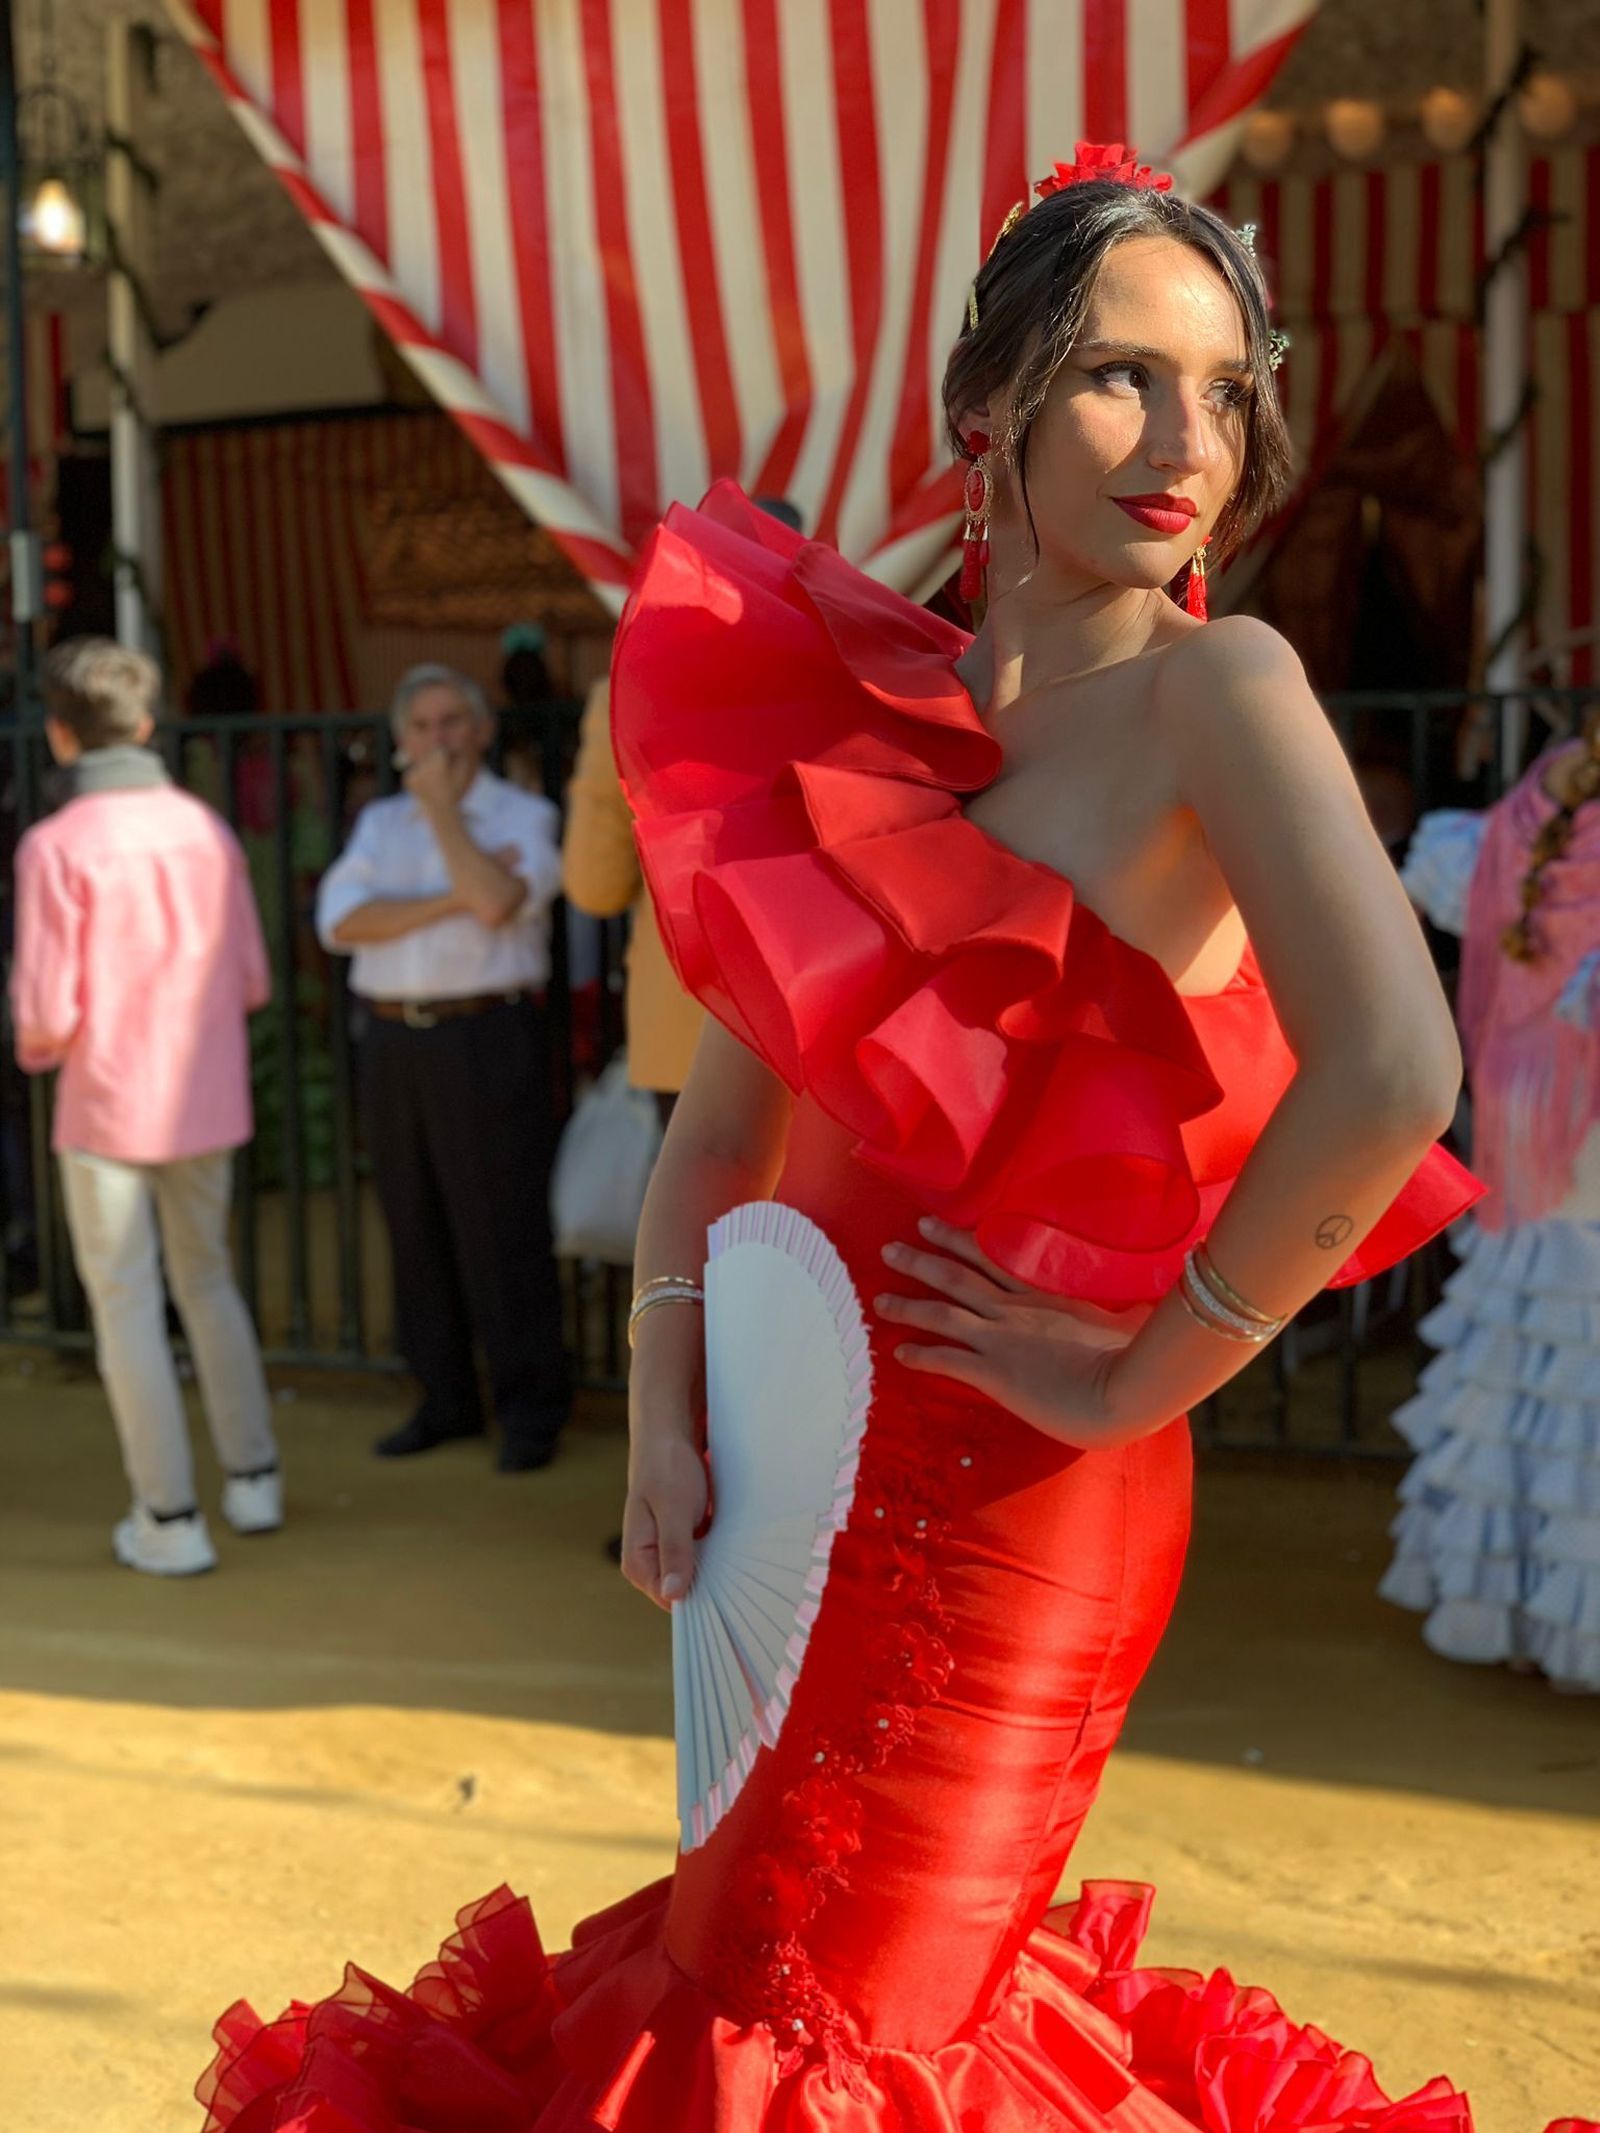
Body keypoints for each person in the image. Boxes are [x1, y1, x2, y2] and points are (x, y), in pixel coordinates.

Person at [197, 150, 1586, 2133]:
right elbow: (713, 1142)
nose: (1183, 437)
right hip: (784, 1465)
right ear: (986, 412)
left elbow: (1392, 1076)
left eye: (1223, 385)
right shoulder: (860, 720)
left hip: (1033, 1495)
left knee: (844, 2025)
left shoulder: (1223, 683)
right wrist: (665, 1414)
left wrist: (1136, 1367)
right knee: (726, 1965)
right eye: (1120, 373)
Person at [11, 638, 279, 1578]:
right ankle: (253, 1478)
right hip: (203, 1093)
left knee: (126, 1303)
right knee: (207, 1279)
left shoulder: (55, 846)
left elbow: (45, 1015)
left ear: (59, 734)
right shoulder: (204, 829)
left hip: (107, 1100)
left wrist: (39, 1047)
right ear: (147, 724)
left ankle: (169, 1514)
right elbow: (251, 978)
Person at [1381, 726, 1600, 1693]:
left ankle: (1506, 1602)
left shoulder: (1531, 809)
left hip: (1527, 1108)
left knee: (1528, 1341)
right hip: (1578, 1115)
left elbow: (1446, 885)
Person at [315, 663, 570, 1471]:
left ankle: (530, 1408)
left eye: (452, 721)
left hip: (486, 1034)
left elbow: (499, 901)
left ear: (484, 730)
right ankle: (445, 1397)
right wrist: (450, 892)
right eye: (421, 727)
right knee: (413, 1221)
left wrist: (444, 823)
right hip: (395, 1042)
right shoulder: (378, 823)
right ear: (399, 740)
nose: (438, 740)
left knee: (503, 1226)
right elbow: (340, 921)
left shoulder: (525, 812)